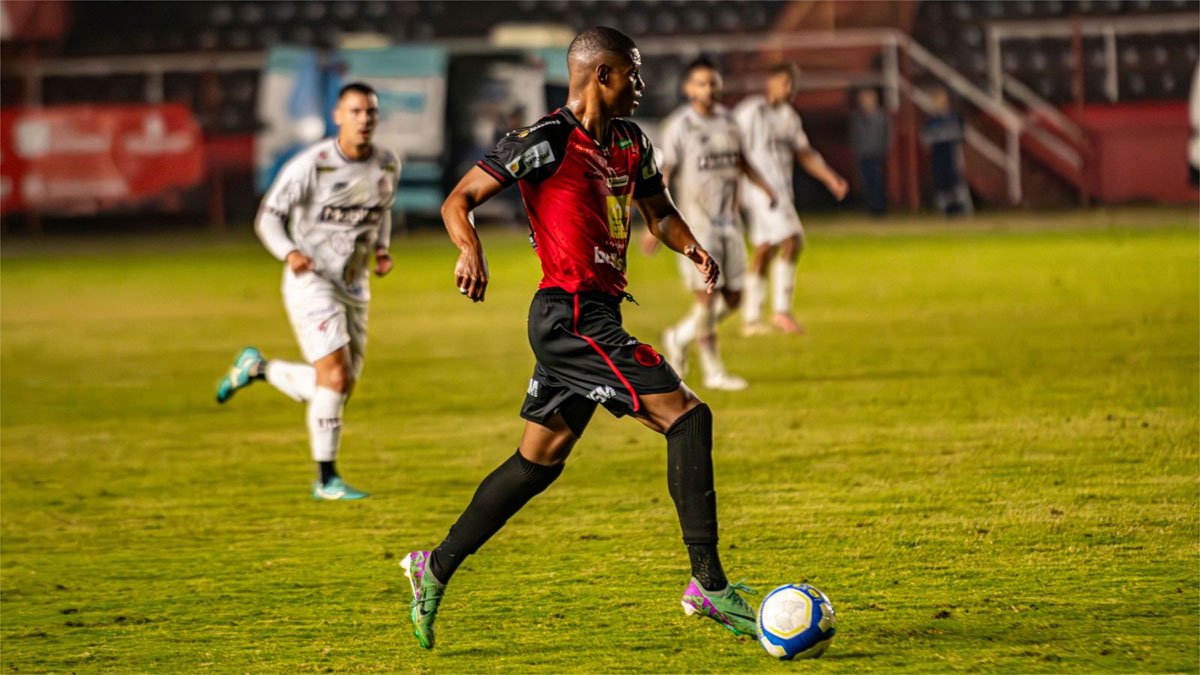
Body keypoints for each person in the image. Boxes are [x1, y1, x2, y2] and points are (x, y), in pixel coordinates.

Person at [400, 27, 757, 651]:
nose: (642, 86)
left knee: (537, 462)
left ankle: (436, 565)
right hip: (568, 317)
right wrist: (470, 251)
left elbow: (659, 211)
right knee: (688, 418)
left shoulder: (631, 142)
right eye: (634, 74)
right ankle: (708, 585)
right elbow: (459, 200)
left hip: (598, 316)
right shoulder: (545, 140)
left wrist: (691, 245)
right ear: (602, 75)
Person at [214, 82, 398, 500]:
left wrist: (382, 249)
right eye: (355, 111)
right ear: (338, 116)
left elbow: (381, 210)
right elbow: (267, 219)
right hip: (311, 281)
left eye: (370, 112)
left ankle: (257, 369)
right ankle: (326, 480)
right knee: (334, 377)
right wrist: (289, 252)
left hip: (354, 286)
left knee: (336, 388)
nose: (364, 119)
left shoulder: (387, 163)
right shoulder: (310, 165)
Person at [643, 57, 777, 391]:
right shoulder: (679, 125)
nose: (709, 88)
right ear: (688, 88)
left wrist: (764, 187)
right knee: (706, 297)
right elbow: (666, 172)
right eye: (701, 83)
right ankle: (714, 371)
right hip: (695, 226)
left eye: (713, 82)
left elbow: (742, 160)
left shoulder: (730, 122)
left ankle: (678, 336)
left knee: (734, 296)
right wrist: (656, 221)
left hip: (729, 223)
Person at [733, 62, 848, 336]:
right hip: (759, 192)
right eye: (785, 82)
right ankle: (781, 312)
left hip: (780, 191)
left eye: (792, 84)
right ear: (770, 81)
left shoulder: (788, 117)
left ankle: (751, 319)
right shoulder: (749, 112)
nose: (790, 89)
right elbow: (732, 150)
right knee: (793, 239)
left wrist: (831, 178)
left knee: (765, 249)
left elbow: (805, 153)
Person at [921, 85, 973, 216]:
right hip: (938, 155)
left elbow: (961, 134)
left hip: (952, 153)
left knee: (956, 180)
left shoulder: (954, 117)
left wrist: (943, 136)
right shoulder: (931, 120)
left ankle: (962, 207)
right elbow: (926, 138)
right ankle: (946, 209)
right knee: (941, 182)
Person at [849, 86, 890, 217]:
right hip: (863, 154)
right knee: (867, 182)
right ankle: (871, 208)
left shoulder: (881, 117)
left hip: (876, 153)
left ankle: (880, 208)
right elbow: (854, 136)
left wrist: (883, 149)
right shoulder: (858, 118)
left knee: (877, 181)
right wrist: (856, 150)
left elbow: (887, 135)